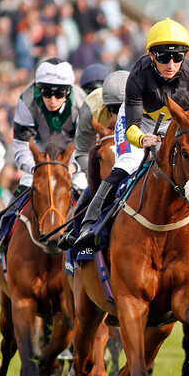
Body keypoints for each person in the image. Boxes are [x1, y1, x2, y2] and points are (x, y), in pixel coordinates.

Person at [73, 18, 189, 249]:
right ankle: (90, 224)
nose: (171, 64)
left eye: (178, 57)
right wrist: (143, 139)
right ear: (152, 55)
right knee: (128, 162)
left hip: (173, 122)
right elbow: (132, 125)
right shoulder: (139, 74)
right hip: (139, 121)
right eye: (164, 57)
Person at [0, 58, 87, 252]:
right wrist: (35, 168)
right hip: (39, 157)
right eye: (46, 92)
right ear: (38, 89)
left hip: (70, 160)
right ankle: (1, 235)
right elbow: (21, 146)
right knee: (20, 194)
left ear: (69, 91)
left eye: (59, 93)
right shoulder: (27, 100)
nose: (52, 99)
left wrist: (73, 167)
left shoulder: (81, 102)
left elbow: (86, 145)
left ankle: (91, 238)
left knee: (86, 193)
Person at [57, 70, 129, 248]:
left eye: (123, 108)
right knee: (94, 188)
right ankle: (75, 230)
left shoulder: (148, 106)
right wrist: (95, 180)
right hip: (106, 160)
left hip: (137, 153)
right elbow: (81, 151)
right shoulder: (91, 108)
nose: (118, 115)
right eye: (113, 109)